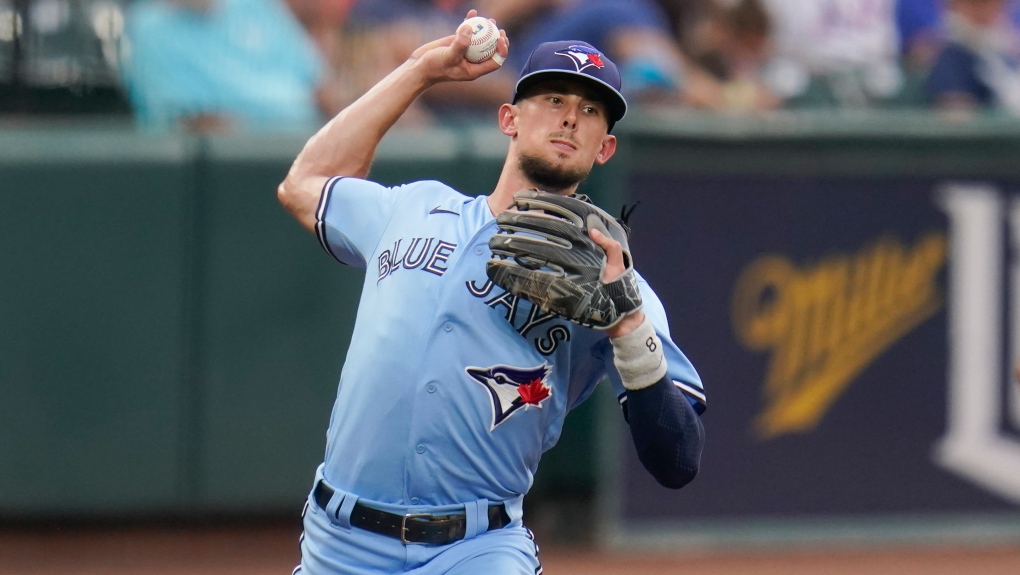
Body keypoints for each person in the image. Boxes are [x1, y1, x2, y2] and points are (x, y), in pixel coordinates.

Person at [277, 10, 706, 574]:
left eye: (590, 110)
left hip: (477, 549)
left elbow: (678, 457)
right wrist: (419, 71)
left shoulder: (616, 284)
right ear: (508, 117)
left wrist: (628, 330)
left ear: (605, 148)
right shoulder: (413, 208)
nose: (570, 118)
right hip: (341, 544)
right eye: (553, 99)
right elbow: (303, 185)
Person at [123, 0, 330, 132]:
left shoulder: (255, 6)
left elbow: (320, 84)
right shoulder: (148, 29)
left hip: (306, 152)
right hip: (233, 171)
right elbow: (192, 124)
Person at [925, 0, 1020, 115]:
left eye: (994, 5)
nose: (986, 12)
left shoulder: (1003, 52)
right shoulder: (953, 57)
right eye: (976, 4)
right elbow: (956, 117)